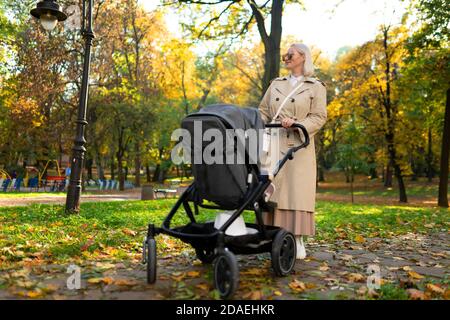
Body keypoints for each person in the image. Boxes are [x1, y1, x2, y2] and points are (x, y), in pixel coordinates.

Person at [258, 43, 328, 259]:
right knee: (272, 191)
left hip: (299, 147)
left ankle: (297, 238)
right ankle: (274, 236)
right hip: (275, 144)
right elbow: (262, 111)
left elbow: (319, 116)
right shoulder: (276, 84)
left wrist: (298, 124)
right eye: (285, 55)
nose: (286, 57)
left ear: (303, 57)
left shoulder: (316, 87)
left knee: (296, 194)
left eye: (291, 54)